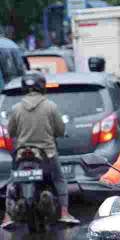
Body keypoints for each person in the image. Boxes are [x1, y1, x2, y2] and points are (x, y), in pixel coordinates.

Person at [2, 72, 79, 229]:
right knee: (59, 179)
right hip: (47, 153)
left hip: (22, 154)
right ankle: (64, 213)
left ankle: (7, 216)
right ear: (41, 86)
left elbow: (11, 132)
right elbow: (59, 129)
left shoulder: (16, 108)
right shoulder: (50, 106)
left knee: (13, 181)